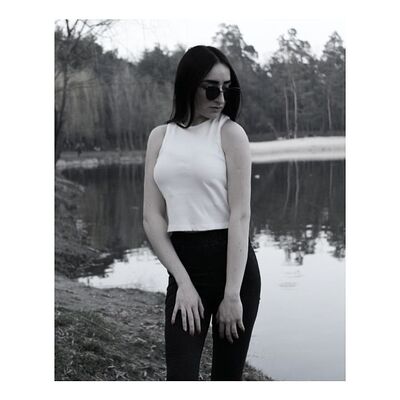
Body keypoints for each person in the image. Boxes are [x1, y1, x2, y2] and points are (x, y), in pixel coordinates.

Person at [143, 45, 261, 381]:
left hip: (232, 268)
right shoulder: (159, 137)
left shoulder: (230, 133)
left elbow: (240, 215)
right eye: (211, 89)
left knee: (226, 378)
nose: (220, 98)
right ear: (189, 85)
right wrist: (183, 282)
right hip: (184, 265)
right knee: (180, 377)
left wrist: (232, 294)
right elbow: (152, 218)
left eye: (227, 89)